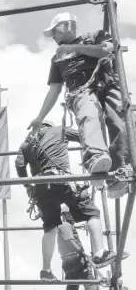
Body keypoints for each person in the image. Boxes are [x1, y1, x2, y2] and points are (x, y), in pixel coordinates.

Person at [27, 12, 131, 199]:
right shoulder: (57, 58)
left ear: (67, 26)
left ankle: (121, 172)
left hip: (107, 84)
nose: (54, 39)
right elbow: (55, 90)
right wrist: (40, 117)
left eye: (55, 32)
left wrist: (73, 48)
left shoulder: (94, 37)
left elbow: (108, 50)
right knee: (89, 114)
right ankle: (96, 159)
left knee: (120, 123)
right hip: (80, 90)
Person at [15, 122, 119, 281]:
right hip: (61, 179)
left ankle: (46, 271)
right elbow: (84, 137)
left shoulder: (25, 143)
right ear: (49, 125)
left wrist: (29, 187)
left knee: (50, 228)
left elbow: (20, 166)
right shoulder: (60, 130)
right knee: (91, 213)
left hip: (41, 187)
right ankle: (99, 253)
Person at [58, 204, 129, 290]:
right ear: (65, 215)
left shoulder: (64, 226)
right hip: (76, 260)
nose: (74, 217)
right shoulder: (65, 225)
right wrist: (82, 253)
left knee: (72, 284)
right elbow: (70, 241)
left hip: (69, 262)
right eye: (72, 214)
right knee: (89, 281)